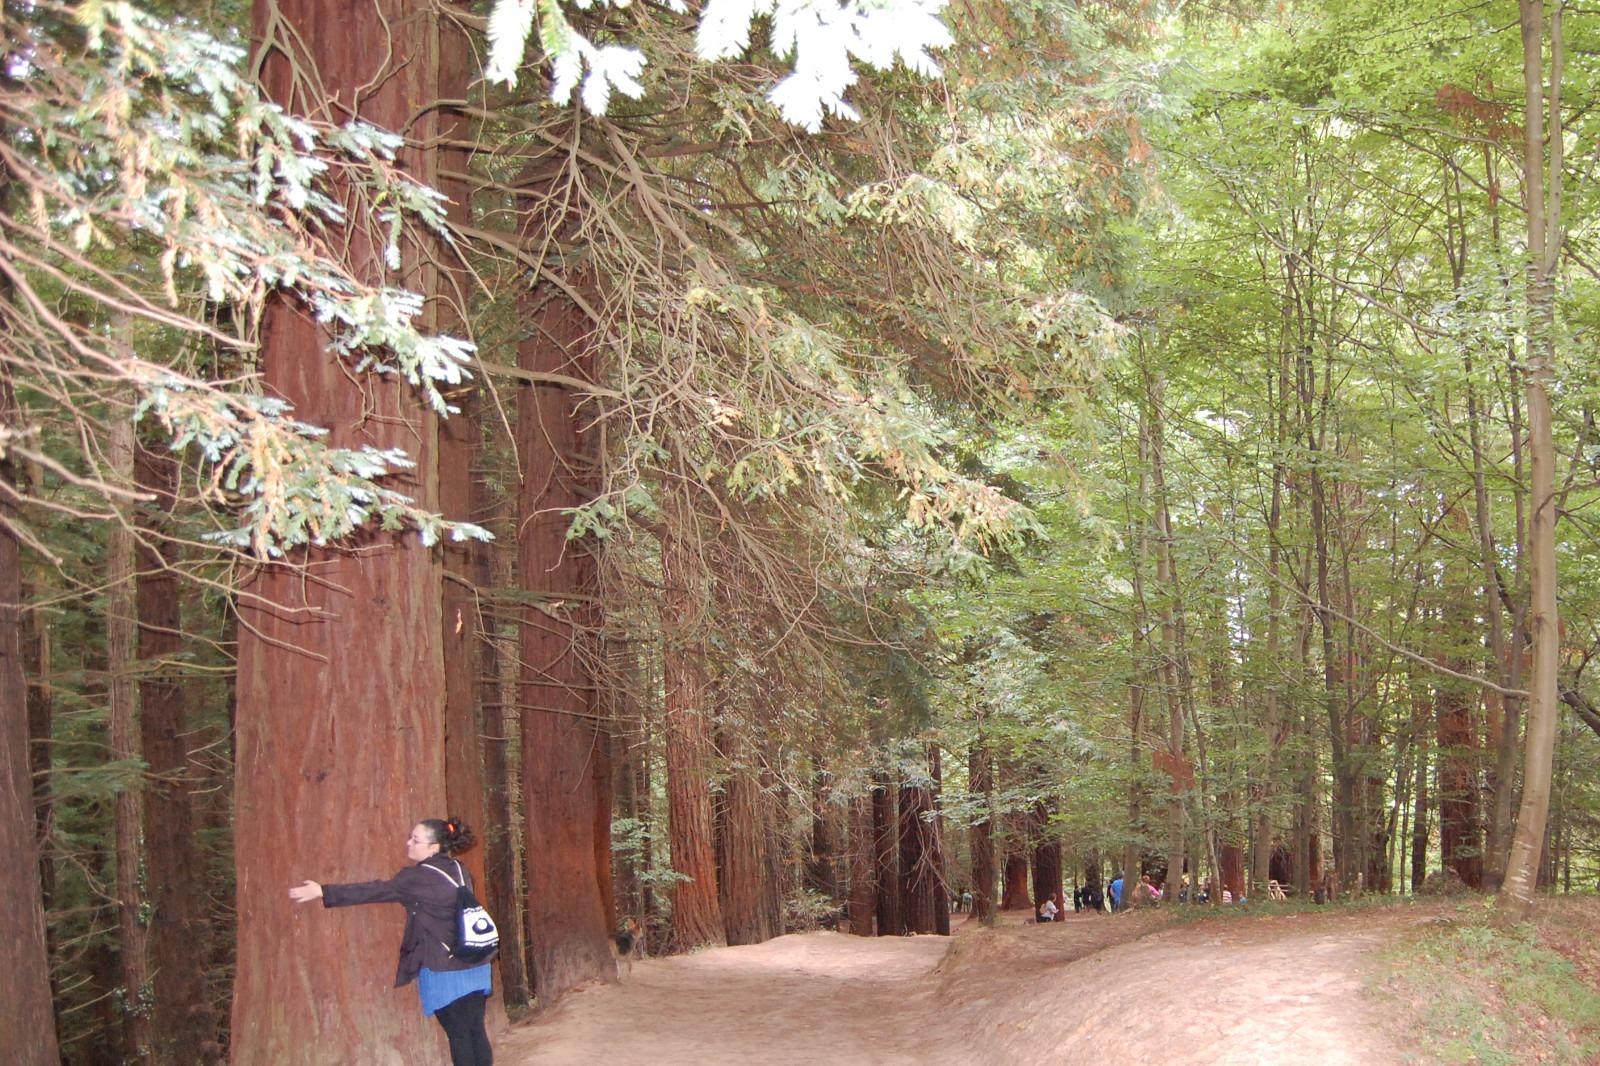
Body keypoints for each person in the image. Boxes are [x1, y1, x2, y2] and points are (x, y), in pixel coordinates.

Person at [290, 817, 494, 1066]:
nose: (409, 843)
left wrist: (324, 891)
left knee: (459, 1034)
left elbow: (375, 890)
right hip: (475, 961)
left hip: (446, 968)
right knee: (474, 1030)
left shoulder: (418, 878)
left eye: (416, 840)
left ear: (434, 847)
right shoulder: (459, 869)